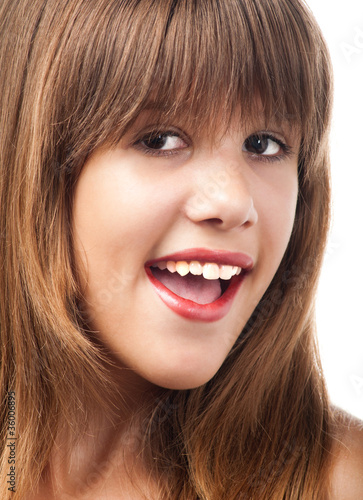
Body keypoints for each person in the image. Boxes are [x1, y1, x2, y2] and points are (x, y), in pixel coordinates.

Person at [0, 0, 362, 498]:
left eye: (264, 144)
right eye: (161, 139)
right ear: (30, 164)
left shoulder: (343, 481)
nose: (234, 202)